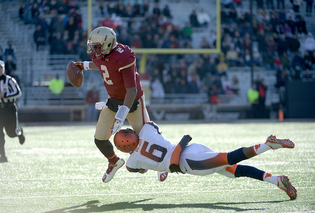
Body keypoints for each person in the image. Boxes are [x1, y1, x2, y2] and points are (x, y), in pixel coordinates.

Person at [73, 26, 166, 183]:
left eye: (97, 47)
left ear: (108, 44)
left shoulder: (124, 56)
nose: (94, 50)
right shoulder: (102, 52)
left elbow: (131, 89)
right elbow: (102, 65)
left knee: (147, 136)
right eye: (93, 46)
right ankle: (114, 162)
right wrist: (83, 65)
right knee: (100, 138)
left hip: (133, 100)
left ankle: (163, 164)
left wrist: (121, 116)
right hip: (114, 99)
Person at [113, 122, 297, 200]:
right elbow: (152, 129)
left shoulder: (131, 163)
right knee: (234, 170)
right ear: (131, 134)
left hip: (189, 163)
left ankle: (267, 145)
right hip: (192, 148)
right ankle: (277, 180)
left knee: (228, 158)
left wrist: (160, 169)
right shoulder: (145, 130)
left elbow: (143, 167)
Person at [0, 60, 25, 163]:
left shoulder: (9, 80)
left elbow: (18, 93)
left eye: (0, 68)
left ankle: (19, 132)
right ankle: (2, 156)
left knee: (11, 133)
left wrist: (5, 96)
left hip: (9, 109)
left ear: (3, 69)